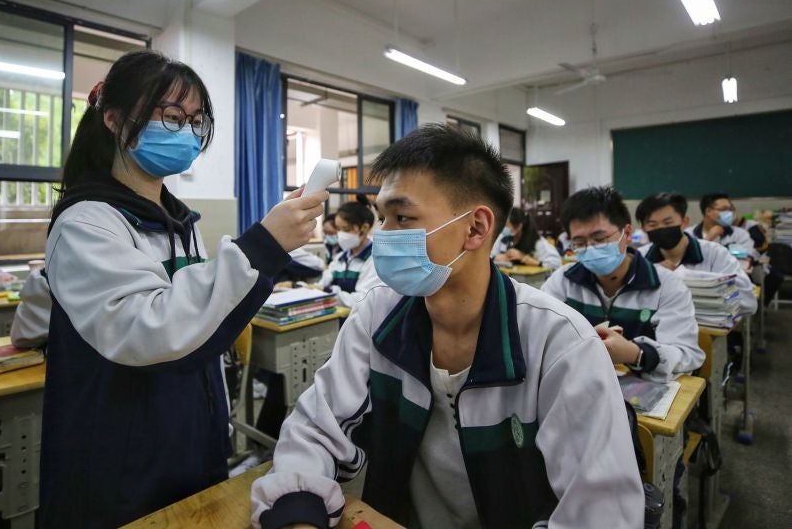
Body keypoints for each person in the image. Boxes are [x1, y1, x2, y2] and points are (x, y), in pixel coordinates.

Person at [251, 124, 643, 529]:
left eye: (402, 217)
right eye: (382, 217)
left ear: (475, 228)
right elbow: (315, 428)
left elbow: (601, 512)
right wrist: (299, 513)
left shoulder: (559, 343)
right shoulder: (378, 314)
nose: (384, 235)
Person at [38, 50, 327, 528]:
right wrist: (264, 245)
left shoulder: (177, 219)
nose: (188, 131)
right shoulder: (87, 223)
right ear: (113, 119)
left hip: (190, 435)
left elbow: (197, 323)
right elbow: (150, 329)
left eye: (196, 120)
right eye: (172, 116)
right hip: (120, 457)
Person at [541, 187, 704, 382]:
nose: (590, 248)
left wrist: (635, 354)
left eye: (600, 239)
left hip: (642, 389)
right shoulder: (563, 281)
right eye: (579, 242)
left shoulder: (665, 286)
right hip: (579, 382)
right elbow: (539, 332)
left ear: (626, 233)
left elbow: (687, 354)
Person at [635, 192, 757, 316]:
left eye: (668, 223)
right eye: (652, 225)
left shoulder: (716, 254)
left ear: (684, 222)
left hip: (707, 331)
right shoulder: (640, 258)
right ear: (644, 228)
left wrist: (688, 279)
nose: (661, 229)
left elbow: (748, 303)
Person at [319, 195, 383, 307]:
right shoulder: (340, 258)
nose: (340, 234)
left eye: (346, 229)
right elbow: (321, 284)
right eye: (338, 229)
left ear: (364, 228)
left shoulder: (375, 259)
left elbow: (362, 299)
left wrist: (327, 291)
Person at [491, 207, 561, 269]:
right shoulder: (503, 239)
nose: (504, 228)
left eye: (507, 225)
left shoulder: (537, 242)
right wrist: (496, 258)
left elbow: (555, 263)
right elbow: (488, 257)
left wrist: (524, 258)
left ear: (519, 226)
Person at [692, 193, 757, 259]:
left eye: (730, 209)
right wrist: (708, 239)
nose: (729, 213)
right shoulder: (689, 233)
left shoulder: (740, 234)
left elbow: (747, 254)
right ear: (708, 211)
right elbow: (688, 257)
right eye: (724, 209)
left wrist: (725, 248)